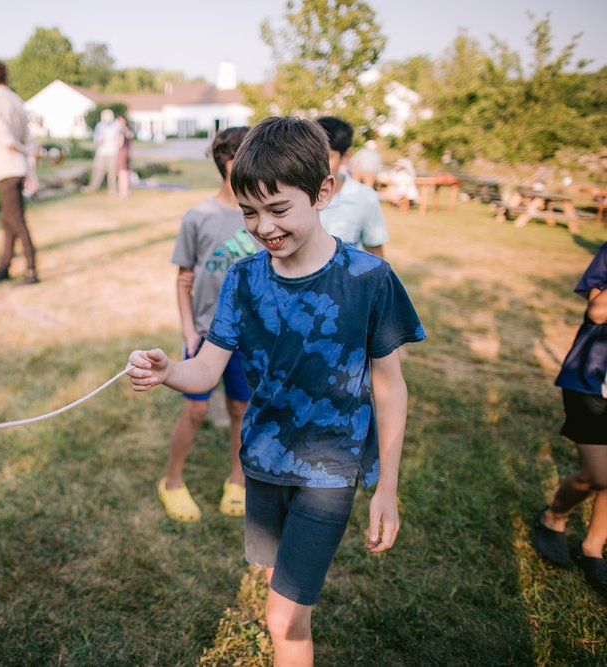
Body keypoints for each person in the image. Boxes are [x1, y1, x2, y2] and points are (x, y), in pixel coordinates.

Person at [127, 116, 425, 667]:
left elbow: (391, 386)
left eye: (278, 209)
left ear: (324, 192)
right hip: (262, 463)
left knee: (285, 620)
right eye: (248, 212)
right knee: (273, 576)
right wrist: (170, 369)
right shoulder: (243, 279)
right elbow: (207, 371)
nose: (262, 227)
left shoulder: (369, 280)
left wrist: (387, 487)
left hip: (328, 472)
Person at [157, 126, 259, 523]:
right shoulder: (197, 218)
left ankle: (238, 478)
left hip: (248, 339)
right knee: (196, 411)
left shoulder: (262, 218)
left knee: (240, 407)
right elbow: (184, 280)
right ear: (229, 165)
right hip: (204, 333)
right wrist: (187, 330)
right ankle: (172, 482)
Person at [532, 243, 607, 599]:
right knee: (599, 473)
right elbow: (597, 311)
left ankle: (593, 547)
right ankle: (554, 516)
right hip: (593, 379)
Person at [0, 59, 39, 285]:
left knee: (15, 220)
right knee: (8, 220)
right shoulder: (17, 100)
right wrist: (29, 165)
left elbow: (7, 140)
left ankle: (32, 269)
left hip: (7, 167)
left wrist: (21, 151)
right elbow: (28, 137)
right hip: (20, 167)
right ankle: (4, 265)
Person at [316, 117, 389, 258]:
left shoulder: (365, 197)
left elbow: (375, 253)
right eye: (314, 156)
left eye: (328, 157)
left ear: (346, 156)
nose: (318, 164)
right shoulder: (295, 195)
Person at [84, 108, 121, 195]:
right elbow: (96, 139)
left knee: (112, 171)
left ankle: (112, 190)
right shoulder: (100, 126)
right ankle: (93, 187)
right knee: (98, 170)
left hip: (113, 152)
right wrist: (99, 140)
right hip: (101, 152)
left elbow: (120, 137)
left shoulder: (116, 125)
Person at [117, 115, 133, 199]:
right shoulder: (127, 131)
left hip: (122, 154)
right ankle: (126, 191)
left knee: (122, 174)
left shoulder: (121, 131)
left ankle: (123, 192)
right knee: (126, 173)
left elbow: (119, 144)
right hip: (127, 153)